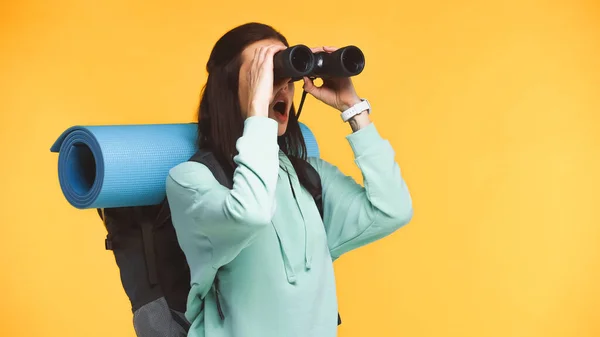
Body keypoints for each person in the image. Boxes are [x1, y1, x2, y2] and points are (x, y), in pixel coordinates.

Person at [165, 22, 413, 337]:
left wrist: (353, 108)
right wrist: (258, 109)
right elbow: (251, 213)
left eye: (287, 75)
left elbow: (394, 209)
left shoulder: (309, 177)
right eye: (264, 75)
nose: (281, 86)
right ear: (227, 88)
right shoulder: (192, 180)